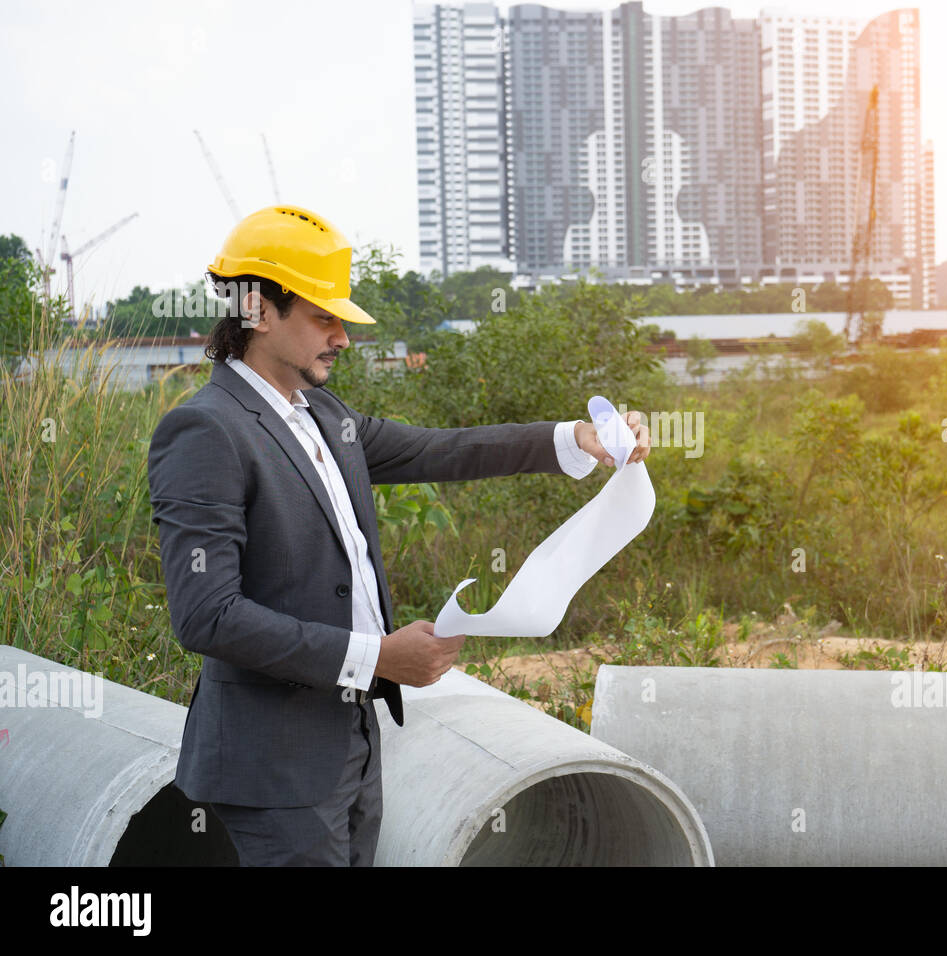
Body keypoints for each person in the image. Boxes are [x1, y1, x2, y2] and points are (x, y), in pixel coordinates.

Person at [147, 204, 650, 866]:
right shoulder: (208, 431)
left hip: (351, 745)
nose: (343, 337)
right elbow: (208, 616)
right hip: (272, 771)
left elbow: (441, 451)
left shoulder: (322, 414)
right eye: (324, 316)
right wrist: (376, 658)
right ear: (258, 310)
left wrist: (573, 438)